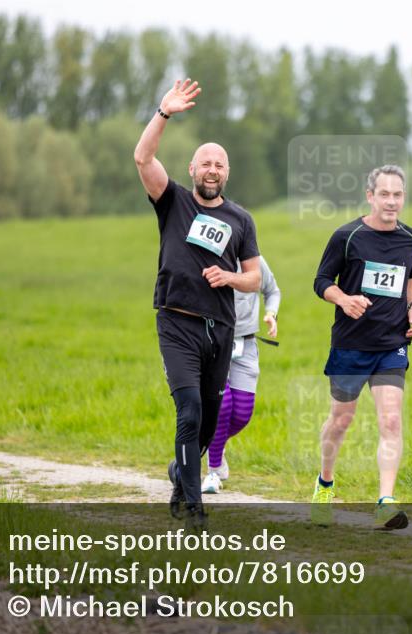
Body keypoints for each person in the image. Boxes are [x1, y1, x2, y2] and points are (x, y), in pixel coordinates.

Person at [134, 78, 261, 529]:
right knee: (188, 410)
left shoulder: (240, 219)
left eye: (219, 164)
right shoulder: (173, 202)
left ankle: (178, 474)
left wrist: (230, 277)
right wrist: (163, 113)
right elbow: (143, 157)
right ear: (191, 168)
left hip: (220, 330)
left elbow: (256, 276)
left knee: (206, 424)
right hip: (177, 324)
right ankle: (193, 506)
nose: (212, 169)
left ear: (227, 173)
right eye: (205, 162)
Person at [311, 165, 412, 530]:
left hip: (392, 343)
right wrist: (343, 299)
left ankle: (385, 502)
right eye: (385, 194)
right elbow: (321, 281)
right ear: (370, 195)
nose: (392, 201)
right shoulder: (347, 237)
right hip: (350, 345)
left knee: (391, 419)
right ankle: (325, 483)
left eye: (398, 194)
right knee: (341, 420)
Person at [202, 256, 281, 494]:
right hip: (214, 342)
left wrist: (271, 314)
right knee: (222, 407)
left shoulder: (254, 261)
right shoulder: (207, 258)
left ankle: (213, 443)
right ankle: (213, 471)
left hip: (245, 343)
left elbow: (273, 291)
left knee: (242, 414)